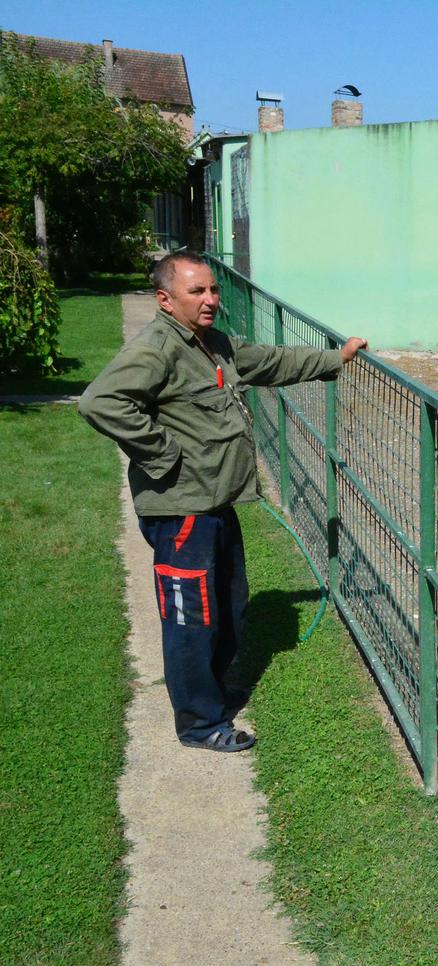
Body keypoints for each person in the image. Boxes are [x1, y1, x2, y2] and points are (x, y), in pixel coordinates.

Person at [79, 252, 367, 752]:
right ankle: (198, 723)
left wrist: (334, 358)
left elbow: (268, 362)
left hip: (215, 503)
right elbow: (100, 402)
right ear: (166, 299)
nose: (211, 299)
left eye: (213, 290)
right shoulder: (157, 350)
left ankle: (209, 693)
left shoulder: (211, 345)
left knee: (230, 606)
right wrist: (164, 452)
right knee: (191, 621)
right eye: (198, 292)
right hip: (182, 511)